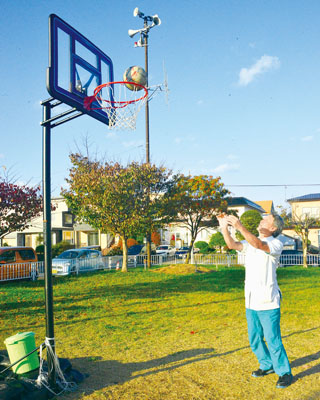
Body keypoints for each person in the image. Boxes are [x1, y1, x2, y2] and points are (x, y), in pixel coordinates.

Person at [218, 213, 293, 389]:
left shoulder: (276, 243)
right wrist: (224, 228)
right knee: (255, 338)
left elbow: (259, 245)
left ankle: (285, 372)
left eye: (266, 220)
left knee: (273, 339)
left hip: (268, 301)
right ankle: (267, 365)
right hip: (251, 301)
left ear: (273, 228)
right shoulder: (249, 241)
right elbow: (231, 244)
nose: (261, 220)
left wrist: (239, 226)